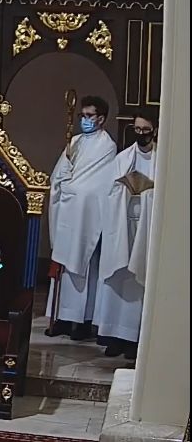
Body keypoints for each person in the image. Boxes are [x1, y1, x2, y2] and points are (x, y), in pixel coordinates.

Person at [46, 96, 118, 340]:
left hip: (86, 215)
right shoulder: (74, 141)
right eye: (82, 116)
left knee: (85, 267)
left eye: (89, 116)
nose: (85, 120)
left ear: (101, 118)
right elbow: (58, 176)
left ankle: (83, 322)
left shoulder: (107, 146)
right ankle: (62, 318)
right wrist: (63, 180)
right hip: (67, 212)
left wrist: (74, 188)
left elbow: (97, 184)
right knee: (64, 266)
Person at [95, 109, 157, 359]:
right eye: (137, 129)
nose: (141, 134)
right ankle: (113, 335)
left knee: (138, 280)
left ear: (154, 131)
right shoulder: (123, 159)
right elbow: (108, 192)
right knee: (118, 277)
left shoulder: (161, 160)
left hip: (147, 226)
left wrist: (148, 193)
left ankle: (133, 338)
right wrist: (125, 190)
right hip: (122, 224)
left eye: (146, 130)